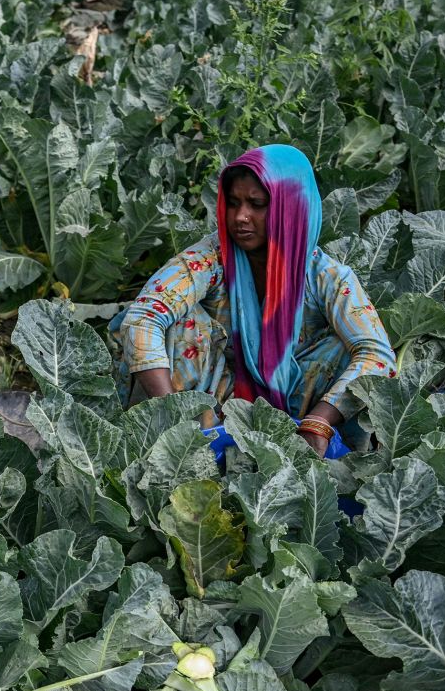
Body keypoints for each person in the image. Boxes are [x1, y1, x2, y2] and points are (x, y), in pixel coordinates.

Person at [115, 144, 396, 457]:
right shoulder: (211, 259)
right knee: (180, 322)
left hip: (295, 406)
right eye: (233, 203)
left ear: (291, 208)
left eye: (257, 204)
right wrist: (173, 418)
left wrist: (319, 420)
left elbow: (377, 356)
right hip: (216, 403)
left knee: (349, 347)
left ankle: (328, 448)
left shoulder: (326, 277)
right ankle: (187, 447)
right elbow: (143, 317)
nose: (240, 217)